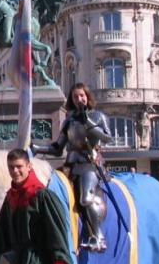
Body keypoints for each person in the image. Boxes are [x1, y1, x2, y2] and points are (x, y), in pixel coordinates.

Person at [32, 82, 112, 252]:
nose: (79, 99)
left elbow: (107, 138)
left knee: (85, 199)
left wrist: (88, 122)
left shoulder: (98, 116)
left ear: (87, 96)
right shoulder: (69, 120)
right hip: (70, 164)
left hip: (89, 164)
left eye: (81, 95)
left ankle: (99, 238)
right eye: (75, 96)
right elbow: (58, 147)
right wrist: (38, 148)